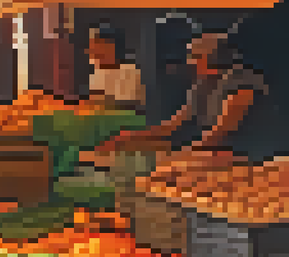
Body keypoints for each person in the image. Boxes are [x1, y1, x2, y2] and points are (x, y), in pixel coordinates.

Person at [98, 21, 277, 162]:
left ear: (214, 57)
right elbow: (173, 125)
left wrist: (176, 158)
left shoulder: (242, 82)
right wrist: (130, 138)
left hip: (252, 159)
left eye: (195, 57)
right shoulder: (202, 85)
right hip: (215, 156)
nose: (190, 63)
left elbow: (218, 135)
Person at [86, 23, 145, 113]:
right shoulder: (97, 72)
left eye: (97, 45)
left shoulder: (129, 72)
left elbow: (126, 105)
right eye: (91, 46)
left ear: (112, 47)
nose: (91, 51)